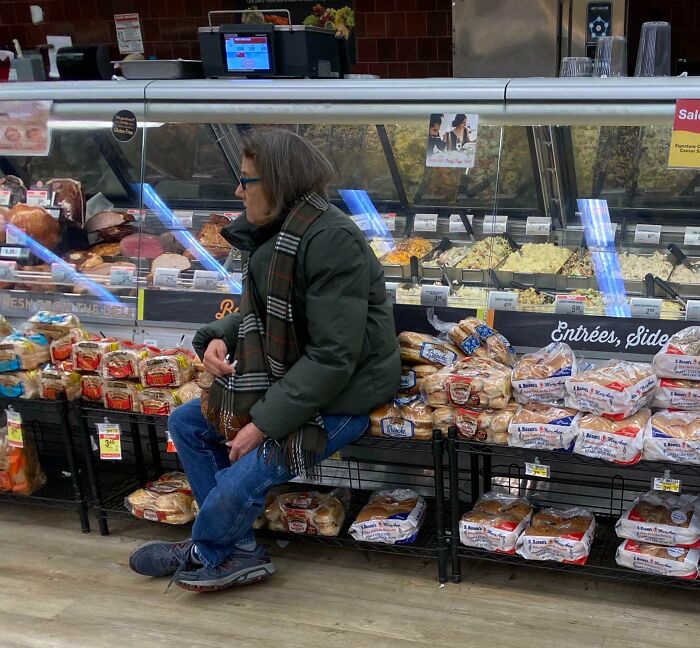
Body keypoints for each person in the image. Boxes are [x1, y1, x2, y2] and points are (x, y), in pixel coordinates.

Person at [128, 127, 401, 593]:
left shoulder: (330, 240)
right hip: (290, 380)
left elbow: (334, 357)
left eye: (247, 180)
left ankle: (210, 549)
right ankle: (235, 548)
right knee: (187, 423)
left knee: (241, 473)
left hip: (344, 394)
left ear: (277, 183)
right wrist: (217, 337)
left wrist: (264, 423)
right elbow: (264, 316)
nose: (238, 190)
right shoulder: (278, 236)